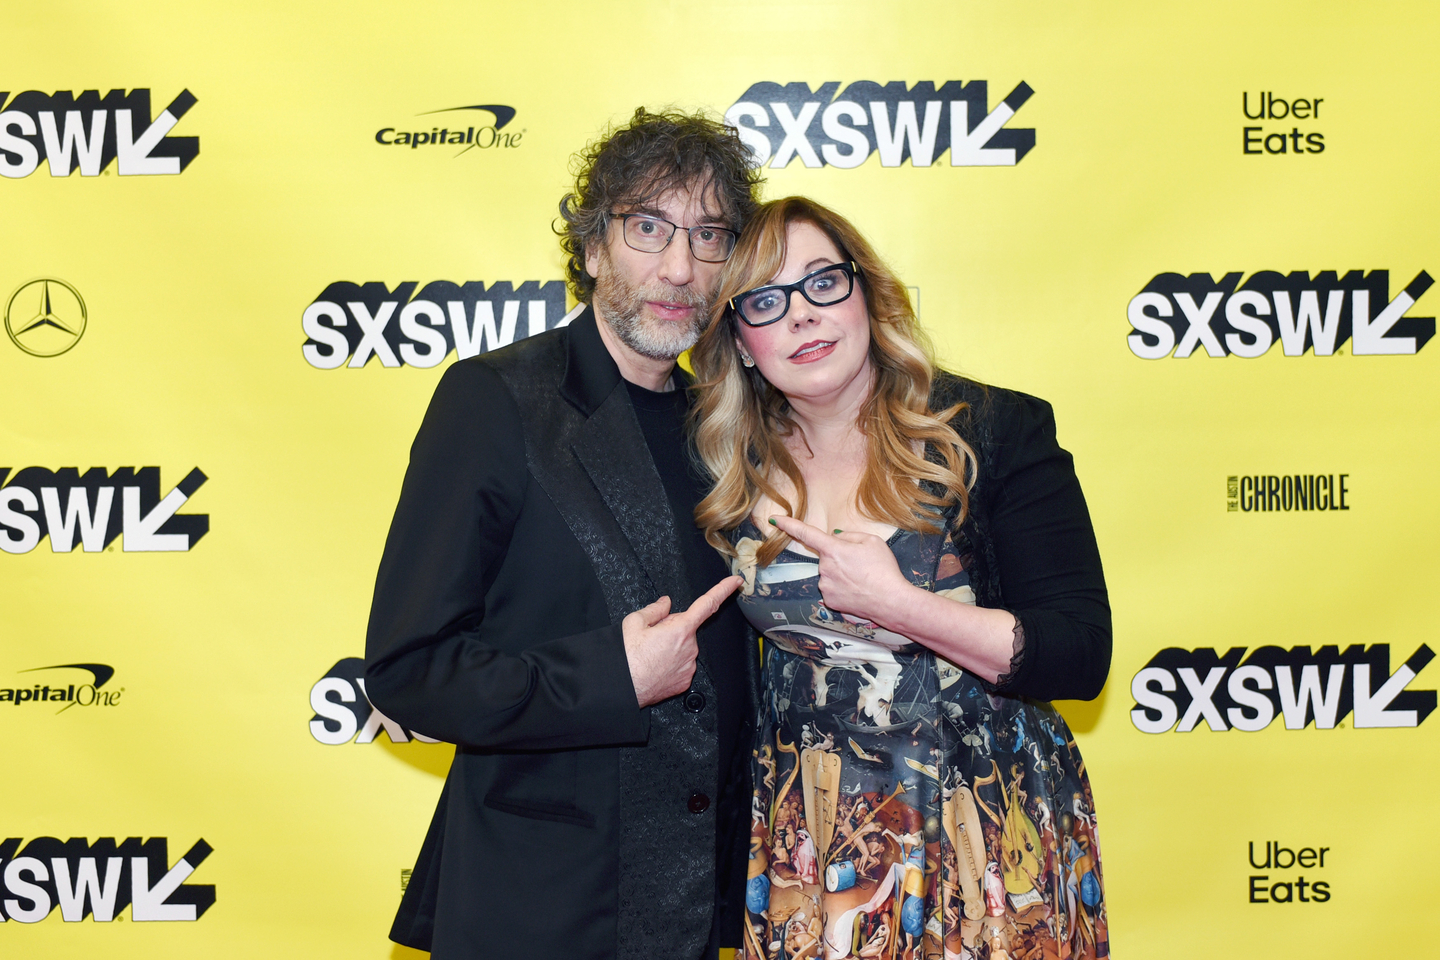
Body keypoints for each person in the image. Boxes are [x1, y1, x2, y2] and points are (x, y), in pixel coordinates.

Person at [363, 108, 763, 960]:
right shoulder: (497, 401)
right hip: (540, 906)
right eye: (648, 227)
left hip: (691, 910)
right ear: (592, 248)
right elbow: (409, 670)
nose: (679, 266)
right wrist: (612, 676)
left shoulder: (728, 426)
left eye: (708, 235)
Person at [688, 197, 1112, 959]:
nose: (802, 315)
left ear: (866, 294)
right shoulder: (726, 469)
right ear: (741, 343)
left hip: (982, 838)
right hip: (814, 845)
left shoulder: (991, 431)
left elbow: (1080, 654)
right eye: (765, 301)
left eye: (823, 282)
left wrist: (900, 605)